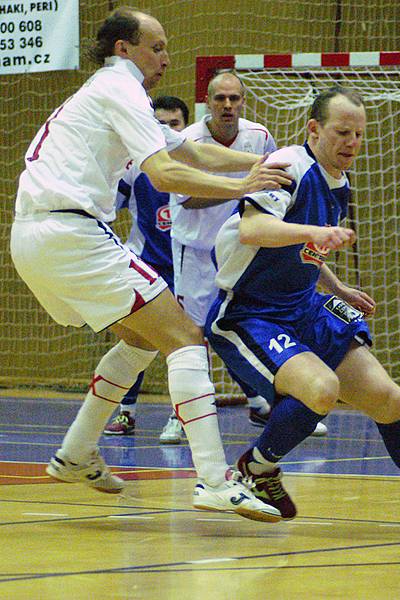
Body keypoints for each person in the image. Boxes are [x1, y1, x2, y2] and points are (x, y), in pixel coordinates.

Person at [10, 8, 294, 522]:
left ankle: (75, 452)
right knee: (186, 337)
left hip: (36, 236)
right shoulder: (118, 87)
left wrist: (267, 162)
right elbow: (165, 175)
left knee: (143, 338)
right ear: (124, 49)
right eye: (156, 47)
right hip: (70, 231)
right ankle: (212, 480)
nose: (165, 58)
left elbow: (188, 151)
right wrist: (242, 188)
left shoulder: (115, 94)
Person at [205, 86, 400, 535]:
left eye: (358, 134)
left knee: (390, 399)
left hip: (306, 307)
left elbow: (302, 252)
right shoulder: (286, 165)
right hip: (252, 314)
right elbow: (255, 229)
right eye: (342, 132)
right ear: (314, 130)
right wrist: (319, 232)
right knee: (321, 390)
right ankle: (256, 469)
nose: (352, 142)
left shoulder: (339, 181)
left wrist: (336, 285)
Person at [170, 70, 328, 437]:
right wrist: (244, 188)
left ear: (243, 101)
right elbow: (188, 198)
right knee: (192, 335)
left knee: (251, 323)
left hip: (243, 251)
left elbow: (277, 182)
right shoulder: (187, 140)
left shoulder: (259, 136)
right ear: (207, 102)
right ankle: (183, 414)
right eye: (220, 99)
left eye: (234, 98)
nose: (227, 105)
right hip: (195, 249)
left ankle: (266, 400)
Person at [103, 95, 190, 444]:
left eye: (174, 124)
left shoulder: (194, 166)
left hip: (188, 267)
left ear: (185, 128)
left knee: (185, 345)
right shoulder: (135, 167)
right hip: (146, 264)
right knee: (134, 338)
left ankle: (180, 415)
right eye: (160, 124)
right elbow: (107, 209)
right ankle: (127, 412)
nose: (166, 130)